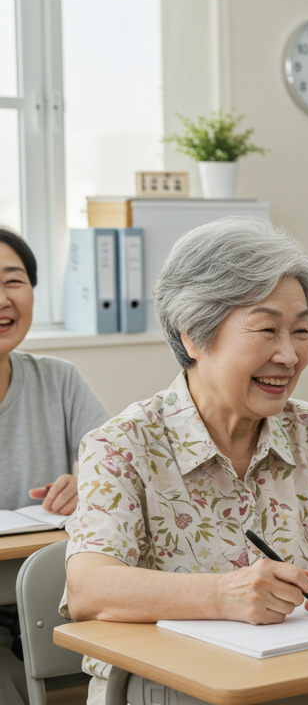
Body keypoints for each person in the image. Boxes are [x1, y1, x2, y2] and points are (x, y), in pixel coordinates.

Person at [62, 218, 308, 704]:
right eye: (267, 329)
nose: (289, 355)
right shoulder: (122, 444)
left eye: (301, 331)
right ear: (194, 336)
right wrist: (220, 595)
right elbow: (89, 587)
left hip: (304, 675)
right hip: (168, 687)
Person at [0, 228, 108, 705]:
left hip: (49, 597)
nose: (2, 299)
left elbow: (119, 465)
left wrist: (87, 482)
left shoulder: (59, 379)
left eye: (13, 281)